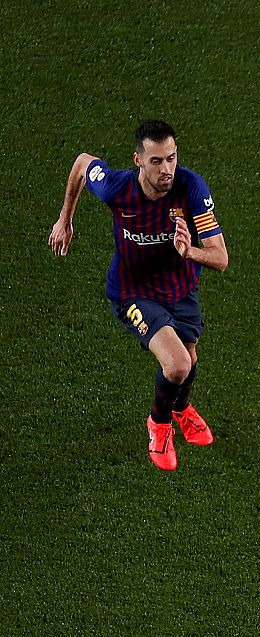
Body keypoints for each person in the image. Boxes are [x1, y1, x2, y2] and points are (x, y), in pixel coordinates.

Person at [49, 119, 230, 471]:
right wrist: (65, 219)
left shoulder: (191, 189)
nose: (167, 169)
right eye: (157, 161)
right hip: (132, 292)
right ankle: (159, 424)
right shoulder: (116, 187)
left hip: (180, 289)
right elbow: (83, 163)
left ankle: (180, 409)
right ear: (138, 160)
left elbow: (220, 258)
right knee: (176, 364)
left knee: (190, 362)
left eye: (172, 158)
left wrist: (189, 251)